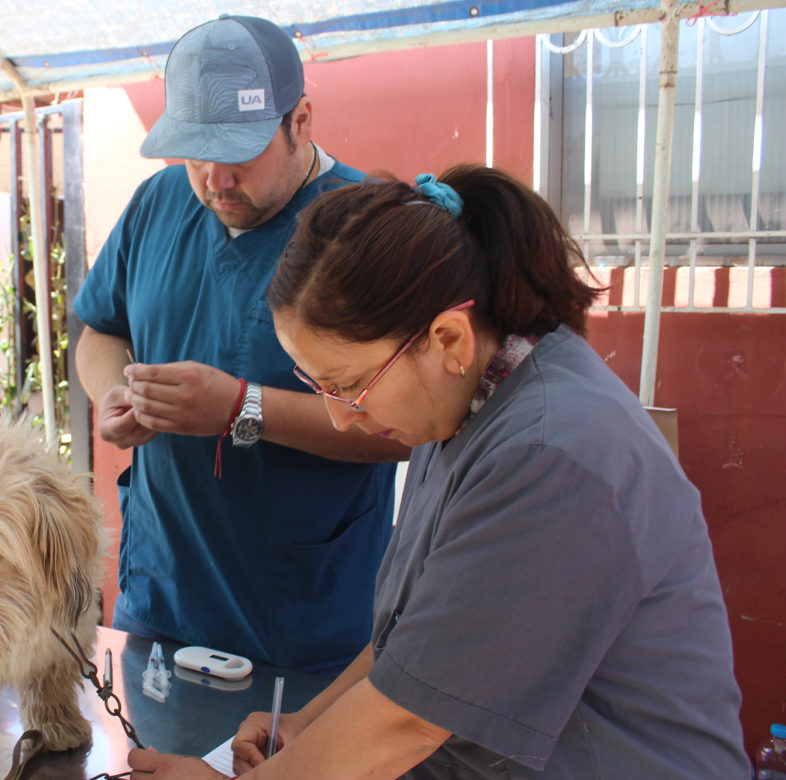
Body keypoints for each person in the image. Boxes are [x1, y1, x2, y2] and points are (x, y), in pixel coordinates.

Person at [127, 166, 749, 778]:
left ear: (448, 338)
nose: (341, 420)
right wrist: (309, 723)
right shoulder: (456, 403)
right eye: (318, 387)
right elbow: (422, 642)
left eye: (349, 387)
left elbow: (410, 720)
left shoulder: (555, 456)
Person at [73, 14, 408, 674]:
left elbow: (401, 426)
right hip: (161, 594)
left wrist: (241, 411)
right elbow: (100, 330)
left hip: (304, 613)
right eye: (197, 154)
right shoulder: (159, 203)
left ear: (301, 121)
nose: (216, 181)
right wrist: (114, 393)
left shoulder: (370, 226)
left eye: (240, 154)